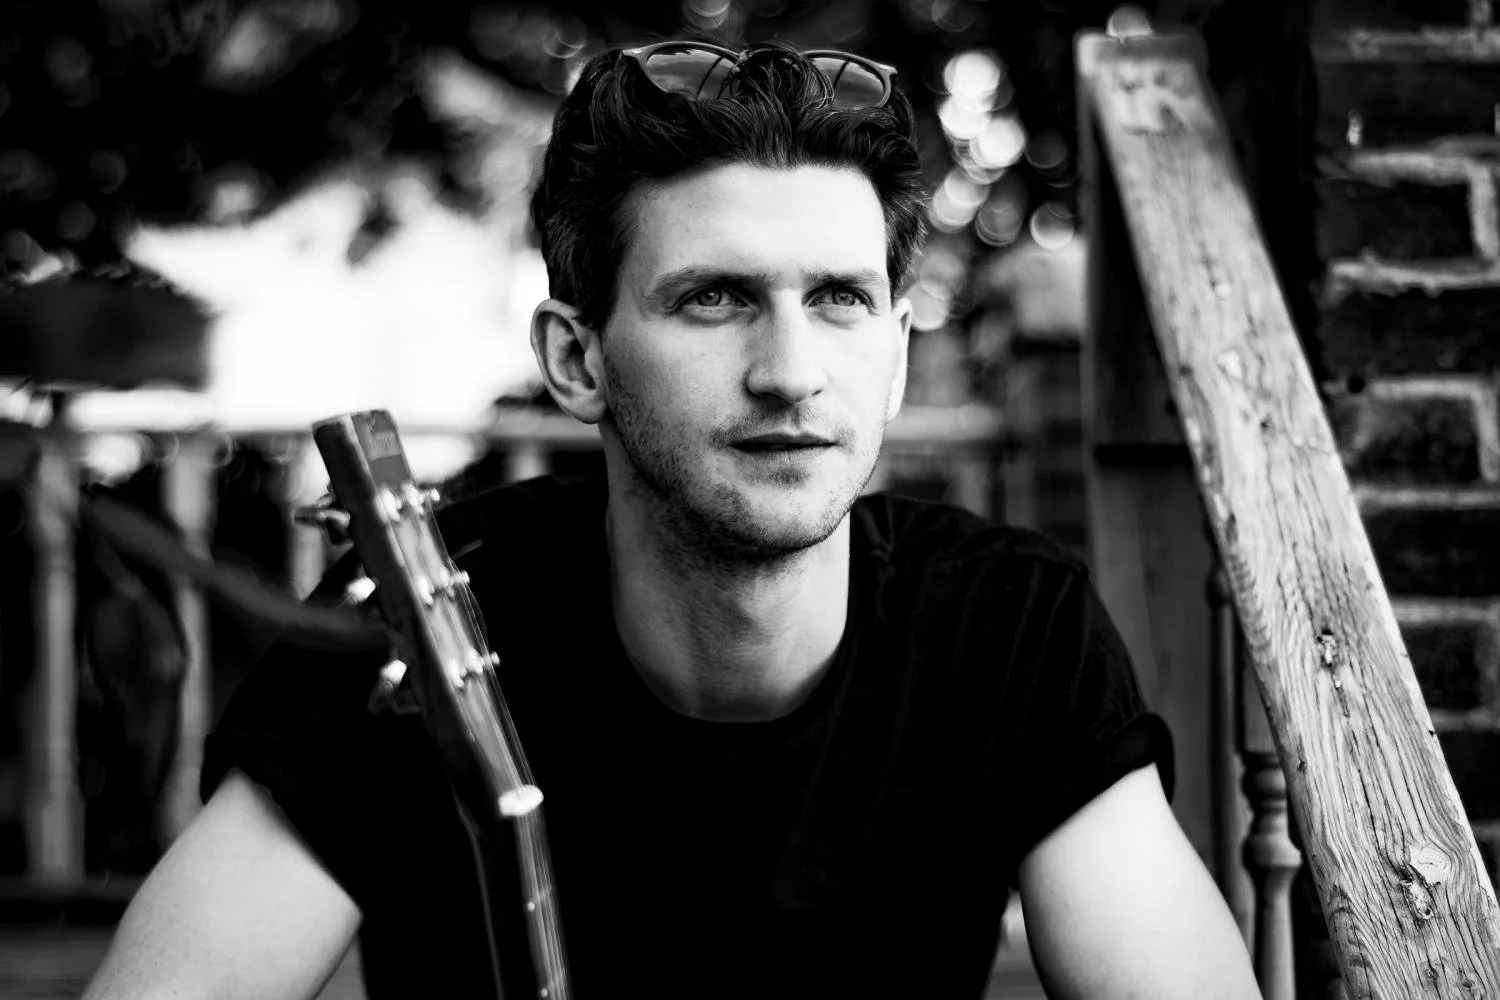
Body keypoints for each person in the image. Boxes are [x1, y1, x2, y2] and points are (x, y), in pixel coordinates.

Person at [83, 40, 1261, 1000]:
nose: (791, 371)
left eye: (841, 301)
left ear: (898, 357)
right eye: (715, 300)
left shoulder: (1003, 626)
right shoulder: (418, 625)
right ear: (576, 356)